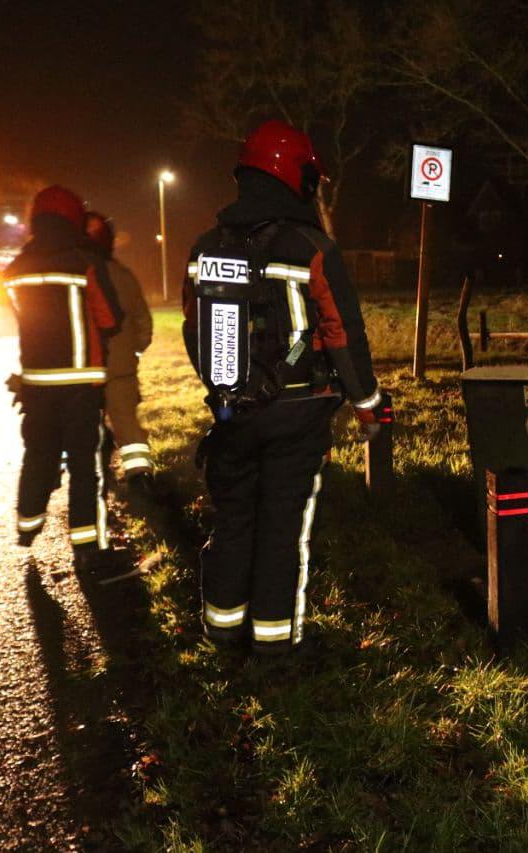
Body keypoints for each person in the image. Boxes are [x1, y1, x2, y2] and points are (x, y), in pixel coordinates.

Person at [182, 119, 380, 656]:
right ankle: (273, 645)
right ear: (294, 176)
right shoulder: (312, 247)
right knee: (281, 527)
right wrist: (368, 405)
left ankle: (222, 631)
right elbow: (342, 332)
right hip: (298, 414)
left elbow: (193, 330)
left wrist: (227, 391)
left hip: (232, 415)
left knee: (234, 520)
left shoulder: (205, 247)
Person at [4, 186, 123, 572]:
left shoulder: (15, 268)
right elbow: (110, 318)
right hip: (80, 383)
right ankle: (88, 546)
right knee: (85, 465)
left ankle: (27, 523)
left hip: (36, 383)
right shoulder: (84, 262)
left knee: (38, 452)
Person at [83, 211, 155, 490]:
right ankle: (141, 476)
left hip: (83, 368)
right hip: (121, 367)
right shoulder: (123, 275)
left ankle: (94, 473)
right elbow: (142, 320)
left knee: (86, 423)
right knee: (126, 422)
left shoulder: (73, 274)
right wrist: (134, 350)